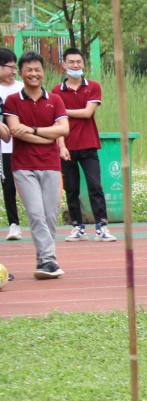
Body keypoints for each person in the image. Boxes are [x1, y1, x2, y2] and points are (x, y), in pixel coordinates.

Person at [3, 51, 69, 279]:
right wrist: (48, 136)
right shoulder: (13, 101)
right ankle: (49, 260)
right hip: (23, 166)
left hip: (51, 164)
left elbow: (64, 129)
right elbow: (15, 130)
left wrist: (32, 130)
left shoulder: (55, 100)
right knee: (35, 213)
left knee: (50, 214)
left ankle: (44, 260)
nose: (33, 74)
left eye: (37, 69)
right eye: (28, 70)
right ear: (21, 73)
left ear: (43, 72)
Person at [52, 47, 115, 242]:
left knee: (95, 186)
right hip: (67, 146)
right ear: (64, 65)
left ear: (83, 64)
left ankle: (102, 227)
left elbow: (88, 113)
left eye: (78, 62)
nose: (75, 65)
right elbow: (56, 123)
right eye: (71, 62)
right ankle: (77, 227)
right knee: (71, 189)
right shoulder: (56, 91)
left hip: (89, 145)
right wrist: (62, 146)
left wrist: (62, 111)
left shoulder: (93, 87)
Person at [0, 48, 23, 241]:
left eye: (16, 67)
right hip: (4, 148)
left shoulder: (22, 88)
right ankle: (14, 224)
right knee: (8, 187)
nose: (14, 71)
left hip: (24, 145)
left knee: (28, 184)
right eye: (10, 67)